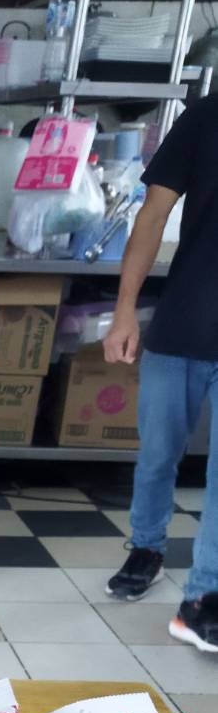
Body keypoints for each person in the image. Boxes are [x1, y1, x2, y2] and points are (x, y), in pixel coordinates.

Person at [103, 95, 218, 653]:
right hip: (183, 324)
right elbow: (153, 214)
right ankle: (147, 547)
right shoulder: (206, 117)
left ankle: (203, 598)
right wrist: (125, 310)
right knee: (158, 454)